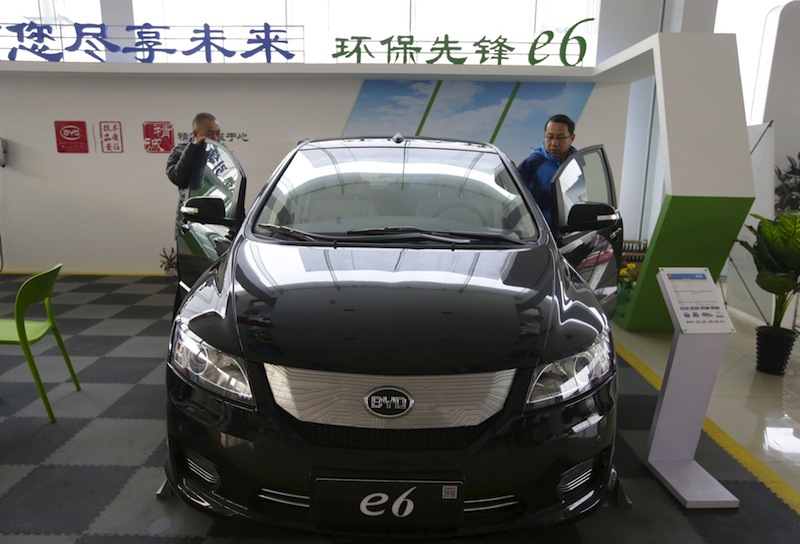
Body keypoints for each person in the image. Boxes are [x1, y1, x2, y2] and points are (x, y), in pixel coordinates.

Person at [517, 113, 577, 225]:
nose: (554, 143)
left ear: (572, 138)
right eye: (549, 137)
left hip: (569, 229)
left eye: (560, 138)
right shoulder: (533, 163)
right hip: (541, 230)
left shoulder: (576, 162)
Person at [166, 112, 222, 193]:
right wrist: (193, 148)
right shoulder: (180, 151)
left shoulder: (218, 151)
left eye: (218, 133)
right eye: (210, 134)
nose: (215, 138)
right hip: (191, 203)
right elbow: (177, 178)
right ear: (196, 134)